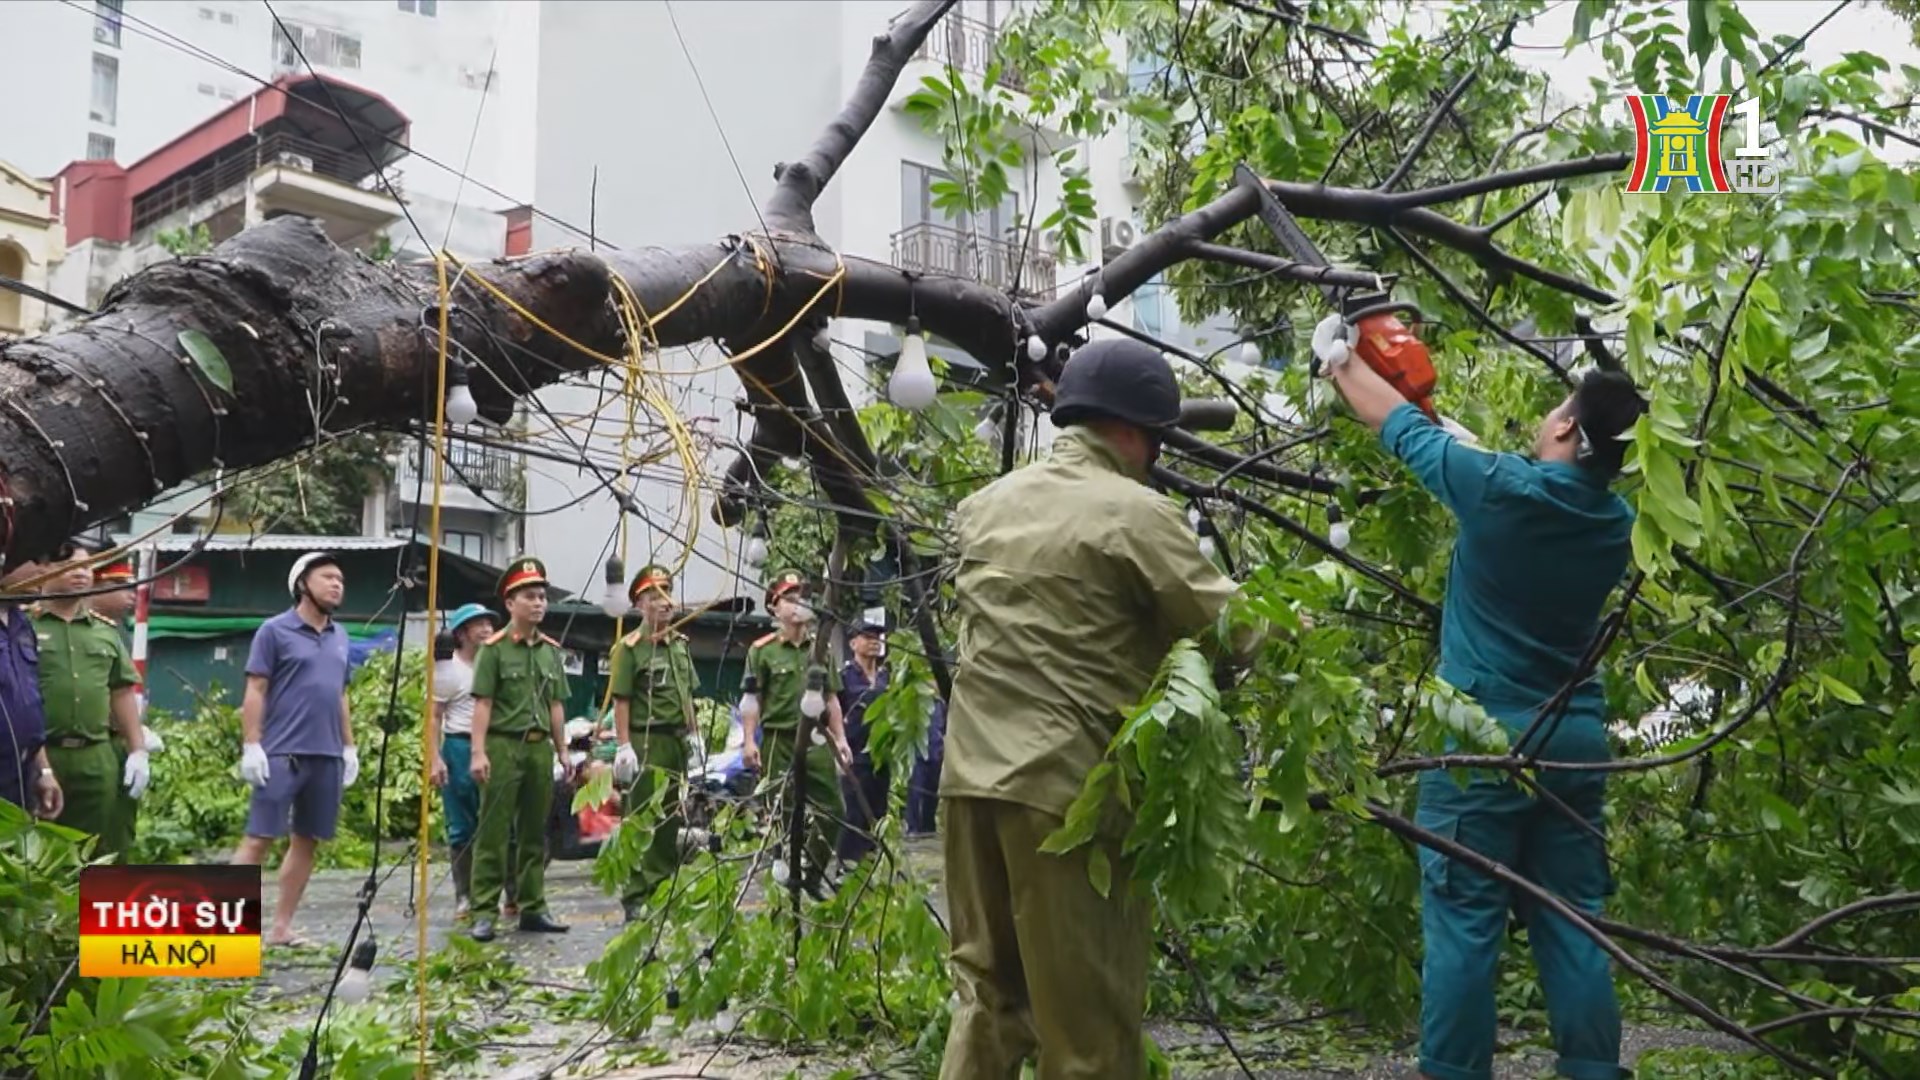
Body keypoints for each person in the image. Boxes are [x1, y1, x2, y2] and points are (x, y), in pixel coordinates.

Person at [1319, 320, 1645, 1080]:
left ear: (1564, 423)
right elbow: (1487, 470)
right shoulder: (1616, 522)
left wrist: (1336, 358)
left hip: (1481, 746)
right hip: (1572, 743)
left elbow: (1396, 425)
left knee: (1465, 925)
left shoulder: (1497, 488)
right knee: (1573, 924)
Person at [937, 338, 1264, 1080]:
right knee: (1088, 1033)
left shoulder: (985, 506)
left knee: (988, 1001)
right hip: (1067, 795)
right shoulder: (1136, 512)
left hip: (968, 785)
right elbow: (1237, 631)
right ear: (1136, 432)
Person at [233, 551, 359, 948]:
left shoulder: (341, 636)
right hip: (281, 752)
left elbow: (339, 694)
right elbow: (255, 688)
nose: (337, 584)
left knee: (308, 839)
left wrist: (350, 747)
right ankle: (225, 928)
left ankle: (282, 927)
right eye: (327, 577)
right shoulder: (274, 631)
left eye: (340, 578)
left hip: (327, 755)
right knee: (259, 837)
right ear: (302, 584)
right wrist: (252, 744)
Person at [467, 555, 572, 942]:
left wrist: (562, 751)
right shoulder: (493, 650)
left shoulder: (549, 651)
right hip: (502, 745)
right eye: (530, 596)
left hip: (538, 749)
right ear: (510, 604)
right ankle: (484, 912)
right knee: (493, 832)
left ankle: (533, 907)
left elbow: (556, 705)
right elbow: (483, 704)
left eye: (542, 596)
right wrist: (478, 753)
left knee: (534, 833)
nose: (539, 603)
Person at [739, 569, 853, 897]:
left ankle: (813, 874)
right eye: (789, 599)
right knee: (783, 811)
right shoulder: (762, 651)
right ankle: (786, 886)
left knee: (834, 810)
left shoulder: (820, 650)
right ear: (775, 608)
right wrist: (749, 741)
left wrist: (841, 739)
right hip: (779, 739)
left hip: (816, 740)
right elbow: (752, 701)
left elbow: (831, 698)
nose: (798, 604)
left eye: (801, 596)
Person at [33, 540, 146, 861]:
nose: (81, 574)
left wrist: (137, 750)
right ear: (43, 570)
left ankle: (84, 912)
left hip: (95, 756)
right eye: (70, 567)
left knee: (93, 850)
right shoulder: (24, 628)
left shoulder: (105, 633)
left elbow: (121, 692)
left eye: (86, 566)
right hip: (42, 753)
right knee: (37, 852)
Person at [608, 562, 703, 921]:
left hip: (675, 740)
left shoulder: (680, 645)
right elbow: (622, 700)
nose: (665, 602)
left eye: (668, 593)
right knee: (640, 818)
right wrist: (622, 745)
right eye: (655, 596)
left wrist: (694, 738)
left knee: (669, 820)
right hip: (645, 740)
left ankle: (662, 886)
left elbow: (686, 697)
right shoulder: (629, 648)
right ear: (639, 604)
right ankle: (635, 894)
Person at [429, 604, 496, 919]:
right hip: (458, 745)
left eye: (488, 624)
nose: (485, 629)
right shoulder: (448, 670)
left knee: (497, 821)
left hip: (493, 744)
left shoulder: (493, 661)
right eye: (477, 625)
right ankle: (465, 896)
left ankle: (497, 893)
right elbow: (433, 717)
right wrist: (434, 758)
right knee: (462, 825)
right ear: (460, 633)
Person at [90, 555, 147, 856]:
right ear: (93, 586)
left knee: (118, 833)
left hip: (117, 744)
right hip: (91, 742)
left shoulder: (114, 631)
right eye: (120, 586)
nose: (131, 595)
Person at [0, 557, 60, 821]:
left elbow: (29, 706)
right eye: (37, 560)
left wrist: (44, 771)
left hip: (20, 774)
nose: (44, 571)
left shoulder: (22, 624)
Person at [834, 619, 890, 865]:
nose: (874, 642)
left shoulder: (887, 677)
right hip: (854, 757)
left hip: (881, 756)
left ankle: (871, 869)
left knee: (878, 815)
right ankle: (847, 869)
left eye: (877, 637)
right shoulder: (845, 677)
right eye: (867, 636)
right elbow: (832, 714)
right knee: (853, 815)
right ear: (853, 643)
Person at [905, 697, 946, 837]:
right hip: (917, 753)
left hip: (936, 752)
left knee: (932, 792)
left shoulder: (940, 704)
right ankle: (912, 827)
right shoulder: (915, 701)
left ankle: (928, 826)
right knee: (915, 791)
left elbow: (944, 728)